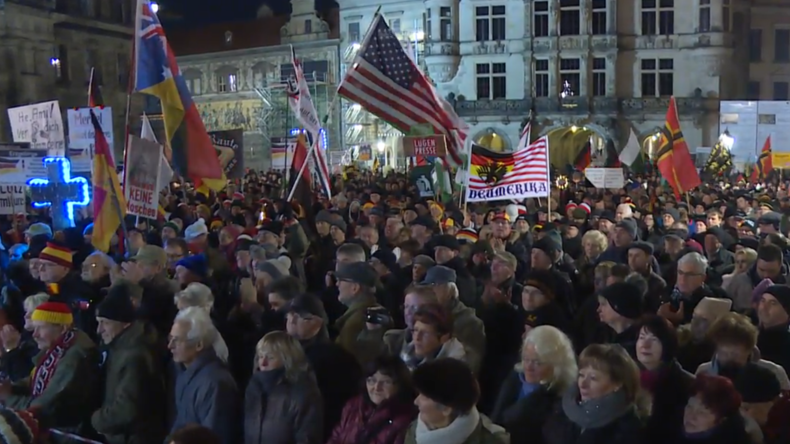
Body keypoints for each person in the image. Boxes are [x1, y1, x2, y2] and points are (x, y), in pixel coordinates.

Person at [1, 299, 100, 434]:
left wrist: (8, 398)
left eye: (40, 328)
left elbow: (43, 406)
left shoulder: (74, 357)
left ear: (63, 328)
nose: (34, 334)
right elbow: (35, 378)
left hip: (66, 431)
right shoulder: (57, 347)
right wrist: (12, 387)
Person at [91, 282, 167, 444]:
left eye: (105, 322)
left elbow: (126, 410)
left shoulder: (134, 355)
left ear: (124, 322)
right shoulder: (118, 347)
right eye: (98, 322)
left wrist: (96, 419)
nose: (99, 330)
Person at [542, 343, 645, 444]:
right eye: (581, 375)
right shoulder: (561, 410)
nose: (583, 384)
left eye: (593, 378)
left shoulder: (627, 428)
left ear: (617, 384)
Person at [491, 326, 577, 444]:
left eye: (537, 362)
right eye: (526, 359)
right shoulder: (514, 378)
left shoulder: (560, 399)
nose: (528, 367)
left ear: (556, 366)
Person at [169, 307, 238, 444]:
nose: (170, 346)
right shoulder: (183, 372)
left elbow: (213, 436)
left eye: (177, 340)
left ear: (199, 345)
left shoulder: (215, 383)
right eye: (170, 338)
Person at [403, 358, 508, 444]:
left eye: (425, 397)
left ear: (446, 409)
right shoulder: (416, 428)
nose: (416, 401)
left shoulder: (491, 440)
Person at [244, 331, 322, 444]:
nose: (263, 362)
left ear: (288, 360)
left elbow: (307, 438)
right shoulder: (254, 388)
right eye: (260, 356)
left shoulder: (304, 393)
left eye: (270, 357)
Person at [327, 355, 416, 444]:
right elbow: (336, 436)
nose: (376, 387)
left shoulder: (404, 420)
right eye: (371, 380)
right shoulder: (353, 406)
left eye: (386, 382)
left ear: (400, 385)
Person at [634, 316, 694, 444]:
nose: (645, 345)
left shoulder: (685, 385)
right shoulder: (625, 377)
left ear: (667, 344)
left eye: (654, 339)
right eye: (642, 338)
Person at [667, 374, 750, 444]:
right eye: (690, 406)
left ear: (721, 419)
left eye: (702, 412)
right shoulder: (668, 428)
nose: (691, 416)